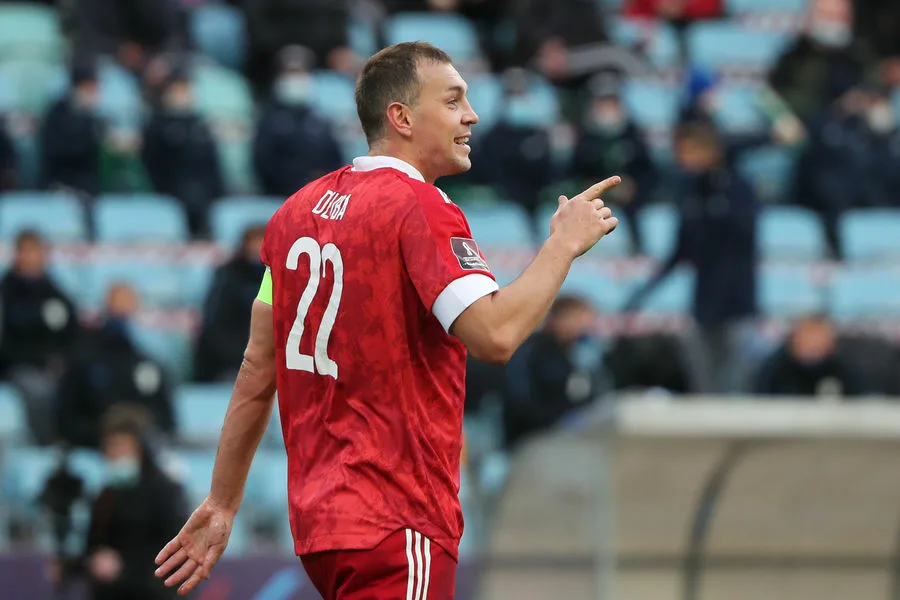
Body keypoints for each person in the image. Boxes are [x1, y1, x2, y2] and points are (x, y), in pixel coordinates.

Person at [154, 42, 619, 599]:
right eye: (453, 101)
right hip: (398, 518)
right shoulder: (421, 207)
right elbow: (495, 335)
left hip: (322, 527)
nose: (471, 116)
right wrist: (562, 245)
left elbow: (258, 367)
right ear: (401, 117)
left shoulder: (293, 215)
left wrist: (223, 501)